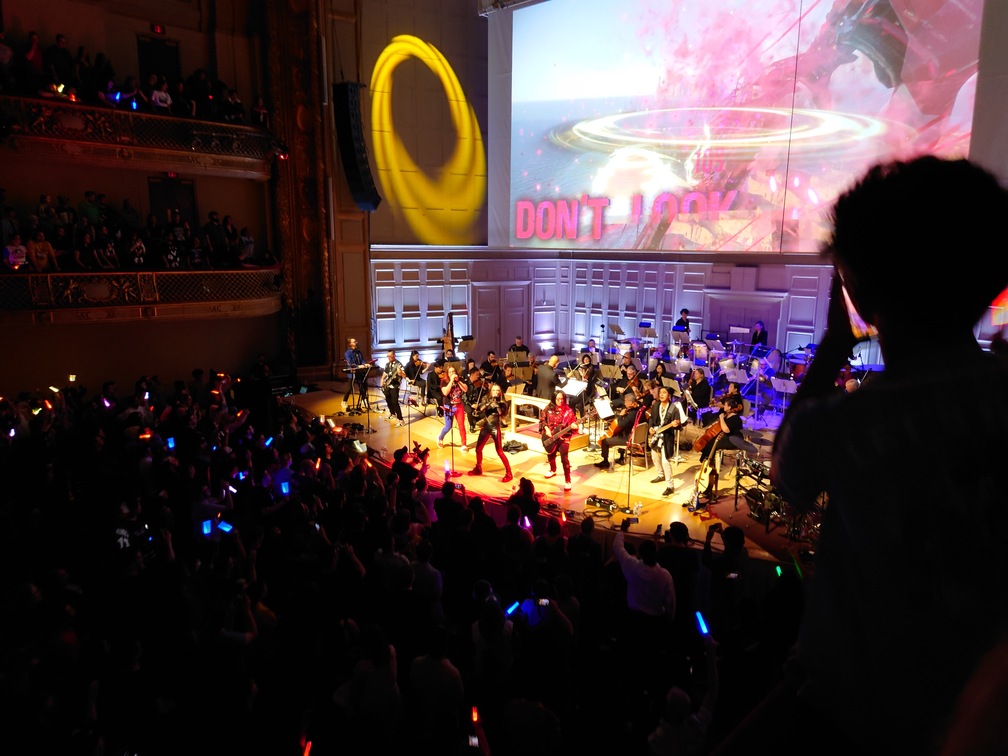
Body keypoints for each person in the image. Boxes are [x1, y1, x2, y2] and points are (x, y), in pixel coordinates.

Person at [714, 156, 1008, 756]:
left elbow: (788, 477)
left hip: (853, 716)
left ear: (859, 292)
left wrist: (831, 345)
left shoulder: (844, 423)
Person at [689, 393, 744, 512]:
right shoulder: (728, 415)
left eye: (725, 405)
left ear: (729, 407)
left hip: (733, 440)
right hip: (727, 437)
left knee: (713, 443)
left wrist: (721, 419)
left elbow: (726, 430)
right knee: (711, 442)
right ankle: (707, 461)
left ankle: (708, 461)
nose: (723, 407)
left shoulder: (735, 418)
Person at [467, 382, 513, 483]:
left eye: (497, 391)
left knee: (500, 452)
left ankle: (509, 473)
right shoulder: (486, 398)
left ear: (500, 392)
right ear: (491, 391)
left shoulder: (503, 403)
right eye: (494, 390)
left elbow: (502, 413)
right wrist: (488, 404)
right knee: (478, 449)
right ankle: (478, 468)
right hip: (486, 426)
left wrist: (496, 405)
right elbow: (480, 408)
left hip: (495, 428)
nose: (496, 392)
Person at [648, 386, 687, 496]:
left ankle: (670, 486)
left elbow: (679, 426)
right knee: (654, 457)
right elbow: (651, 419)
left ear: (669, 396)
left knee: (665, 461)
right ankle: (661, 475)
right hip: (656, 435)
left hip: (667, 438)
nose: (661, 395)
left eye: (664, 393)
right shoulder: (656, 406)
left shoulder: (674, 409)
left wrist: (676, 425)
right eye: (660, 392)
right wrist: (651, 427)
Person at [594, 387, 645, 470]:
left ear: (631, 402)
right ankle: (621, 458)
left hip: (630, 439)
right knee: (620, 432)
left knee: (605, 440)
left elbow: (621, 424)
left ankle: (605, 461)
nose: (624, 403)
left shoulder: (633, 413)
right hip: (639, 438)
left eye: (625, 401)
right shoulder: (640, 409)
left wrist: (621, 415)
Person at [539, 390, 577, 491]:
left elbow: (574, 423)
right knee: (551, 453)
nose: (560, 401)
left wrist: (574, 426)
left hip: (564, 438)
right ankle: (552, 470)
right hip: (550, 435)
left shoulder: (568, 411)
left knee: (564, 459)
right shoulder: (548, 408)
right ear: (554, 398)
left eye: (562, 399)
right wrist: (546, 429)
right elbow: (542, 420)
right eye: (558, 399)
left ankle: (568, 481)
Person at [437, 364, 467, 452]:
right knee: (448, 426)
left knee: (461, 426)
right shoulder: (444, 381)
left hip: (459, 406)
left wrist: (458, 381)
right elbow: (445, 392)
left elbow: (465, 389)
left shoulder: (459, 379)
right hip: (449, 406)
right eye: (450, 372)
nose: (452, 373)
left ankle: (464, 444)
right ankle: (440, 437)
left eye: (453, 371)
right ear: (447, 373)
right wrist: (451, 381)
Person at [381, 349, 406, 426]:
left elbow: (404, 376)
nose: (389, 357)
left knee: (395, 402)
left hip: (395, 386)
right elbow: (385, 373)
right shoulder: (387, 364)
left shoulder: (399, 365)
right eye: (388, 356)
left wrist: (400, 373)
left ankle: (401, 420)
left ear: (394, 355)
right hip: (388, 385)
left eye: (390, 356)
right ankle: (392, 414)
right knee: (388, 400)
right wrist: (382, 379)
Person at [342, 337, 368, 409]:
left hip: (359, 372)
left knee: (362, 386)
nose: (356, 342)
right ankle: (344, 401)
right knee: (349, 388)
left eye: (356, 341)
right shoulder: (347, 353)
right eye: (354, 342)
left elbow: (362, 360)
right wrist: (358, 366)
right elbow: (350, 363)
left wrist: (364, 364)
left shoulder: (358, 352)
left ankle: (363, 399)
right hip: (352, 372)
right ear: (350, 344)